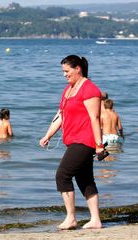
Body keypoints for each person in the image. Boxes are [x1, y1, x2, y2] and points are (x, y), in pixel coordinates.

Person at [39, 55, 104, 230]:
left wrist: (99, 145)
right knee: (85, 179)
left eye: (67, 71)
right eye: (63, 72)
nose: (64, 75)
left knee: (63, 175)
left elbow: (95, 118)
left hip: (85, 140)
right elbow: (60, 115)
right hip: (73, 140)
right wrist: (48, 135)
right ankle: (95, 220)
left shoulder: (90, 89)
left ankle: (71, 218)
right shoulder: (68, 89)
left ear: (78, 69)